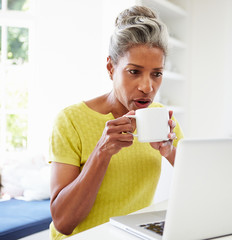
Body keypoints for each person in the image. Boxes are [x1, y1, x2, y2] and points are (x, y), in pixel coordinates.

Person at [48, 6, 183, 239]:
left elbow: (203, 189)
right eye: (134, 72)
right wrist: (102, 152)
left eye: (156, 74)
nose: (147, 87)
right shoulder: (70, 121)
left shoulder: (163, 120)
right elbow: (63, 222)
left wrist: (170, 152)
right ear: (111, 68)